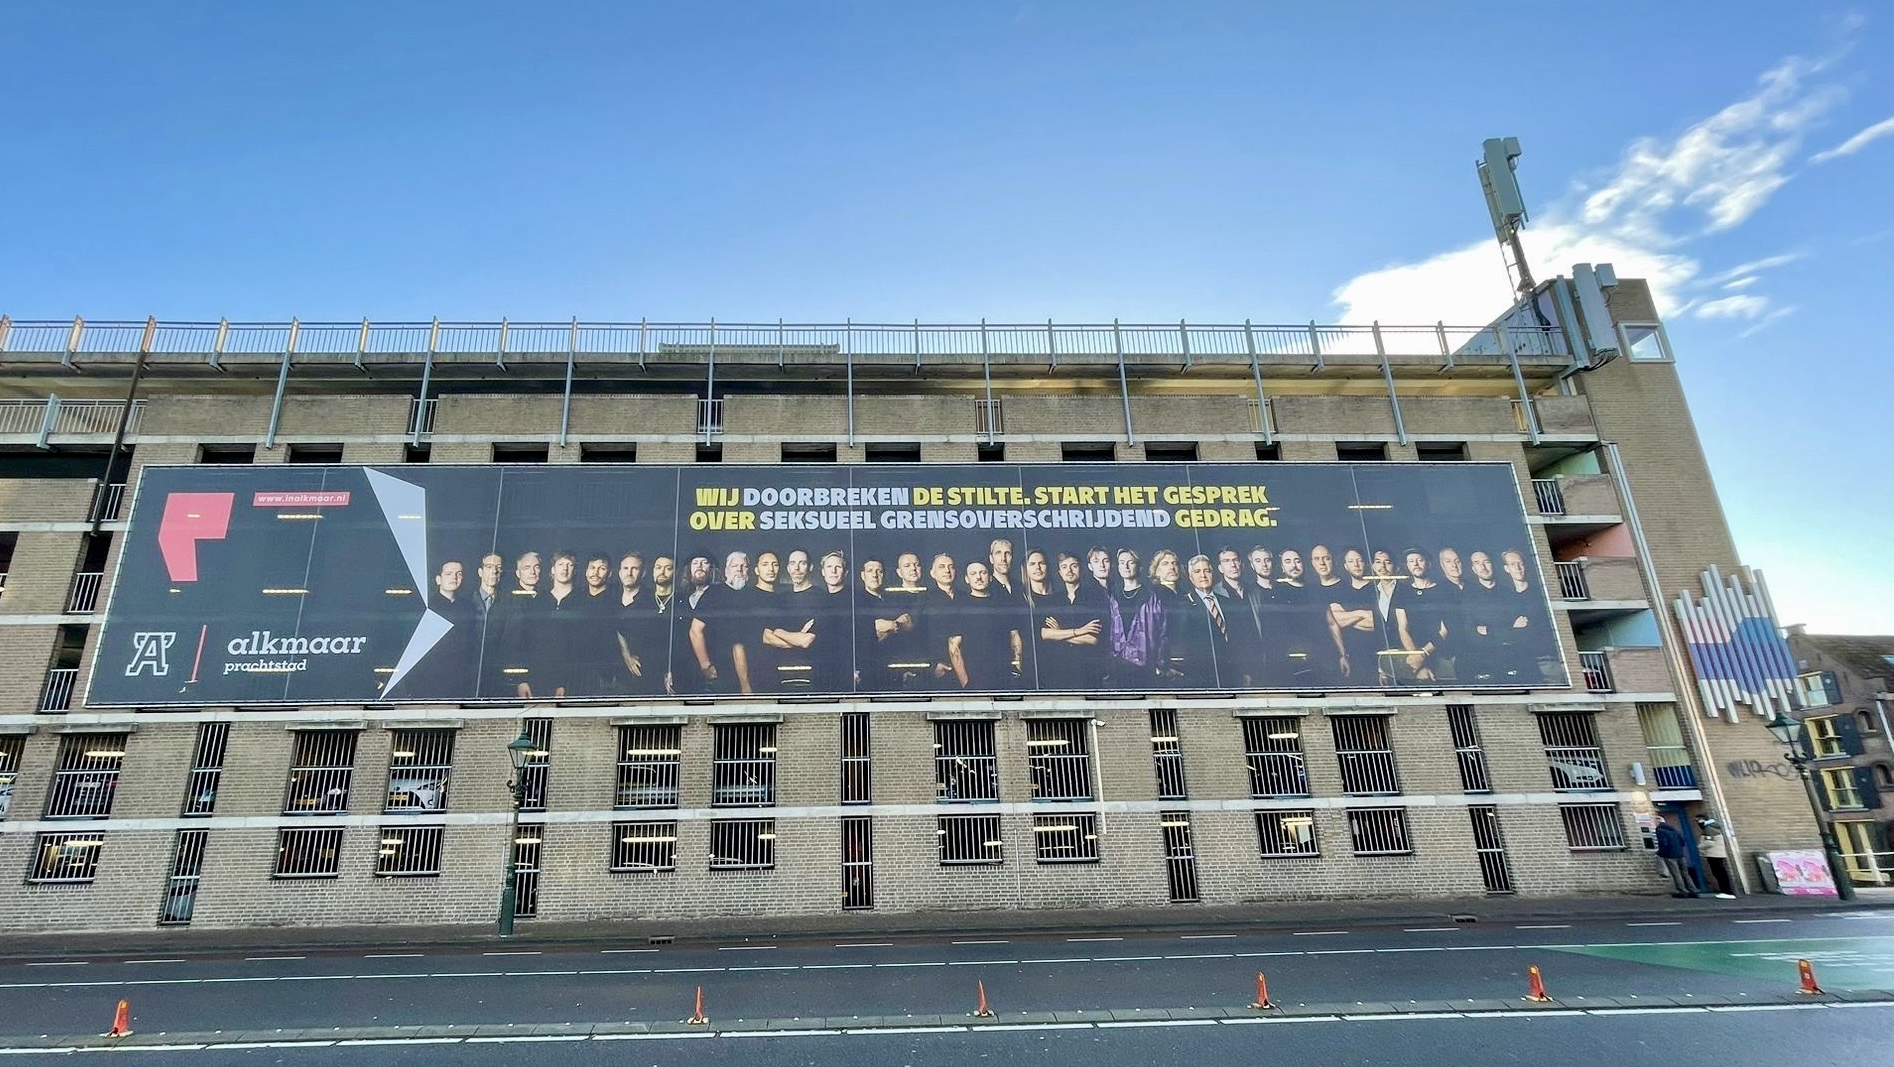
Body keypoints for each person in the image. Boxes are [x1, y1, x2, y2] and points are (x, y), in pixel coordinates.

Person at [948, 560, 1022, 691]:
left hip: (1004, 676)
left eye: (983, 572)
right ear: (966, 579)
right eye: (973, 573)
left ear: (990, 577)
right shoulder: (959, 606)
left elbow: (1014, 637)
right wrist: (966, 683)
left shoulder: (1002, 604)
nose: (978, 577)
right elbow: (954, 648)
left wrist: (1017, 668)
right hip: (975, 679)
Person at [1037, 550, 1106, 691]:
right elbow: (1044, 634)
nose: (1069, 570)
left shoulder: (1095, 598)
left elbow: (1093, 639)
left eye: (1073, 566)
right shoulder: (1052, 601)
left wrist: (1059, 633)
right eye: (1064, 567)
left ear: (1081, 569)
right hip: (1058, 673)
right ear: (1059, 572)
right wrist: (1079, 631)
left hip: (1088, 673)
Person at [1216, 547, 1267, 687]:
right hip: (1234, 666)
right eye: (1226, 561)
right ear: (1220, 568)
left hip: (1261, 661)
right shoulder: (1216, 595)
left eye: (1235, 560)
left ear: (1242, 564)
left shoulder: (1255, 592)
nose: (1232, 565)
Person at [1174, 554, 1228, 688]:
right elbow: (1183, 643)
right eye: (1197, 572)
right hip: (1200, 677)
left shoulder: (1228, 602)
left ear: (1213, 574)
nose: (1203, 575)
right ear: (1190, 577)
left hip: (1229, 673)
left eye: (1207, 571)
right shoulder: (1184, 604)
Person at [1394, 548, 1446, 684]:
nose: (1416, 564)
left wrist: (1423, 653)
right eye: (1411, 561)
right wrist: (1416, 658)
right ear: (1407, 566)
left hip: (1440, 656)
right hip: (1411, 658)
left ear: (1428, 563)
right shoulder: (1402, 592)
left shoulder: (1443, 591)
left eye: (1420, 560)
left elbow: (1445, 630)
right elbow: (1402, 628)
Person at [1655, 816, 1700, 898]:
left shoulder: (1660, 830)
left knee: (1676, 874)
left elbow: (1664, 844)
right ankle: (1693, 890)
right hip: (1680, 855)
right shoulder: (1674, 829)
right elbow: (1682, 842)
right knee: (1685, 873)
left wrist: (1659, 853)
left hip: (1670, 855)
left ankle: (1682, 891)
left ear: (1658, 822)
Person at [1697, 818, 1736, 898]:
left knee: (1719, 873)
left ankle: (1726, 892)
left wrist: (1699, 847)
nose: (1698, 823)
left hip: (1713, 854)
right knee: (1721, 873)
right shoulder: (1715, 828)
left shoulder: (1708, 829)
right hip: (1719, 854)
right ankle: (1727, 891)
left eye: (1699, 821)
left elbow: (1709, 842)